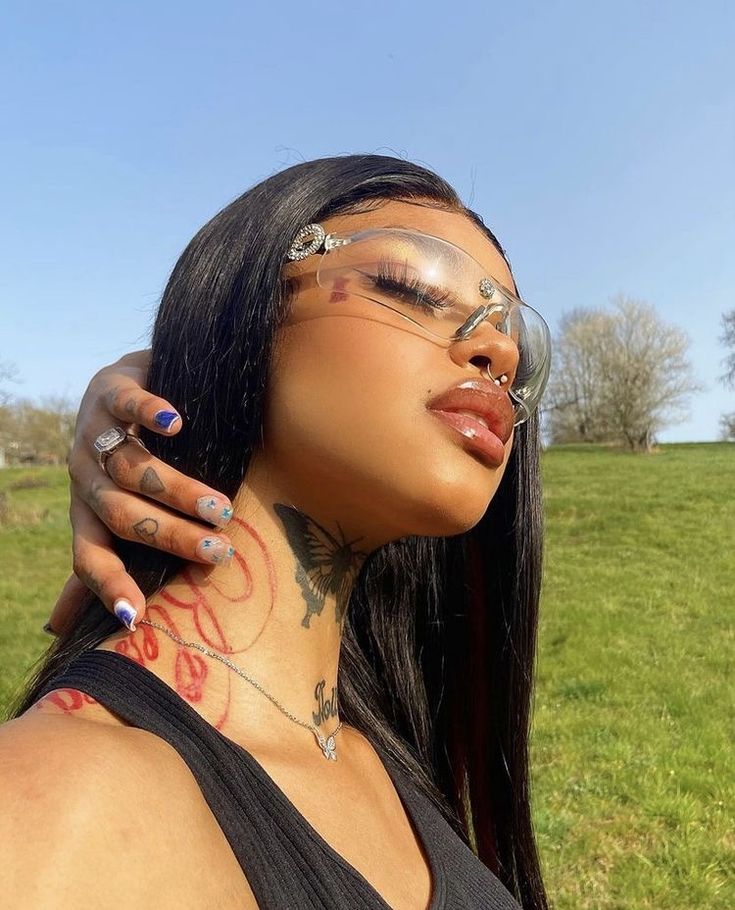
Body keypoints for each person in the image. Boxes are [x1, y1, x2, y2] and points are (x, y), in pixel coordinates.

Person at [1, 154, 552, 910]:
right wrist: (181, 374)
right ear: (245, 309)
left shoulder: (381, 751)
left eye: (518, 338)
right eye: (413, 284)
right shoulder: (60, 806)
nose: (500, 353)